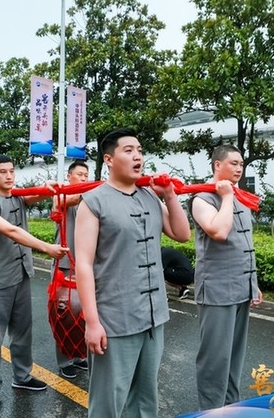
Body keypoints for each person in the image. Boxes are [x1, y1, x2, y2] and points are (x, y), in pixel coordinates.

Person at [74, 127, 190, 417]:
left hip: (153, 316)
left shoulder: (150, 197)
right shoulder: (93, 202)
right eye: (129, 150)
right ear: (109, 159)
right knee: (108, 402)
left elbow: (181, 234)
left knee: (145, 397)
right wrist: (92, 322)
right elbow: (84, 265)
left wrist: (170, 197)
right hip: (115, 319)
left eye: (139, 150)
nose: (137, 156)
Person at [0, 154, 68, 411]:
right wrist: (46, 248)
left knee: (22, 332)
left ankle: (22, 377)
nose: (8, 175)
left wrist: (49, 185)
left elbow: (39, 194)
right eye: (2, 172)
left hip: (21, 275)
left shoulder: (18, 197)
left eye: (11, 171)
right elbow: (12, 231)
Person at [189, 144, 263, 410]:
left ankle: (230, 408)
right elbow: (219, 232)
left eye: (241, 164)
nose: (239, 169)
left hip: (241, 288)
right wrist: (227, 197)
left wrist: (253, 283)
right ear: (217, 165)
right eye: (234, 163)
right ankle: (210, 411)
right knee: (215, 360)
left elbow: (244, 244)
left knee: (234, 357)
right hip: (218, 291)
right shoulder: (202, 199)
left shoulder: (240, 197)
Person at [50, 160, 90, 379]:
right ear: (69, 176)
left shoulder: (90, 198)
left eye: (86, 175)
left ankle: (80, 355)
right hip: (66, 263)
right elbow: (61, 204)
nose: (84, 178)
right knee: (64, 313)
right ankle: (65, 360)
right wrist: (93, 191)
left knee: (84, 312)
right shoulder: (61, 194)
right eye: (80, 174)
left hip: (87, 263)